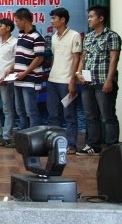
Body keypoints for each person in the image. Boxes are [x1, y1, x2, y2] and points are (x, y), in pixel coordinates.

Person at [76, 4, 121, 156]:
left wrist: (109, 80)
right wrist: (78, 73)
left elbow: (114, 60)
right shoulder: (88, 37)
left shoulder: (112, 36)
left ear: (101, 18)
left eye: (91, 17)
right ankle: (92, 145)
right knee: (90, 115)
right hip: (87, 82)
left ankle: (112, 148)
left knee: (108, 116)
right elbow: (83, 58)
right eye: (88, 17)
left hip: (103, 81)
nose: (88, 19)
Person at [46, 8, 82, 154]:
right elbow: (55, 57)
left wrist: (72, 80)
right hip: (52, 80)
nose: (51, 21)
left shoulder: (74, 35)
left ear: (63, 20)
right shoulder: (54, 37)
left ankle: (71, 144)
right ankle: (55, 143)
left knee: (70, 115)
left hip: (67, 81)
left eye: (54, 18)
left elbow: (76, 58)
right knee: (53, 114)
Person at [11, 8, 45, 146]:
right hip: (18, 80)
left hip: (30, 81)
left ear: (24, 20)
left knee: (31, 111)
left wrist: (25, 73)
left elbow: (39, 58)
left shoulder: (37, 37)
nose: (16, 24)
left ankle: (34, 140)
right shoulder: (20, 36)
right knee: (20, 110)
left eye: (17, 21)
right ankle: (22, 139)